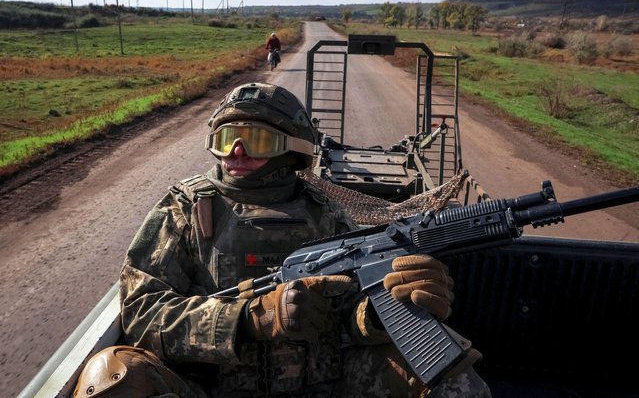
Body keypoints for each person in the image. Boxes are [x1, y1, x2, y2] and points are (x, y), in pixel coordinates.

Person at [74, 82, 491, 398]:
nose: (235, 152)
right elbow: (143, 311)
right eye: (225, 139)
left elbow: (352, 313)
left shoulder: (326, 213)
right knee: (113, 373)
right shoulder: (184, 209)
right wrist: (251, 318)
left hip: (328, 383)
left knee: (448, 370)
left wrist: (382, 314)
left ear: (292, 149)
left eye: (255, 140)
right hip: (211, 387)